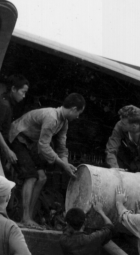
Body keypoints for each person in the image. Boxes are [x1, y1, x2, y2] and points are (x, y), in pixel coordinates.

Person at [8, 93, 85, 229]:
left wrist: (66, 165)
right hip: (17, 137)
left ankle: (28, 217)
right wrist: (62, 164)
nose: (78, 116)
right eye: (78, 113)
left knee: (42, 178)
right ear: (73, 109)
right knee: (31, 176)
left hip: (29, 143)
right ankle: (25, 218)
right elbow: (43, 146)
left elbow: (62, 147)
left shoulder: (64, 122)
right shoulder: (52, 118)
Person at [0, 75, 30, 179]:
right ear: (13, 89)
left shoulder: (6, 102)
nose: (24, 96)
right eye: (23, 92)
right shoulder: (4, 105)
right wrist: (7, 151)